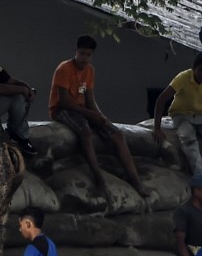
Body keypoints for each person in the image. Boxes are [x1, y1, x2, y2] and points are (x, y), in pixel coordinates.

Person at [49, 34, 149, 196]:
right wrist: (89, 114)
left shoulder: (90, 70)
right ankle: (98, 176)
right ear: (75, 51)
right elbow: (64, 101)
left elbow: (90, 98)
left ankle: (134, 178)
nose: (84, 58)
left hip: (83, 108)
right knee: (86, 132)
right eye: (82, 53)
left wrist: (100, 116)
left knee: (117, 134)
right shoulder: (64, 69)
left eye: (88, 55)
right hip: (63, 110)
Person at [152, 51, 202, 178]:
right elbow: (161, 99)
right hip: (181, 114)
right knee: (188, 137)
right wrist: (156, 128)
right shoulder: (183, 77)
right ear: (193, 68)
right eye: (200, 70)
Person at [0, 31, 37, 155]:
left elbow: (11, 81)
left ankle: (17, 132)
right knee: (17, 96)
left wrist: (28, 89)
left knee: (19, 93)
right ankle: (19, 133)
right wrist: (22, 91)